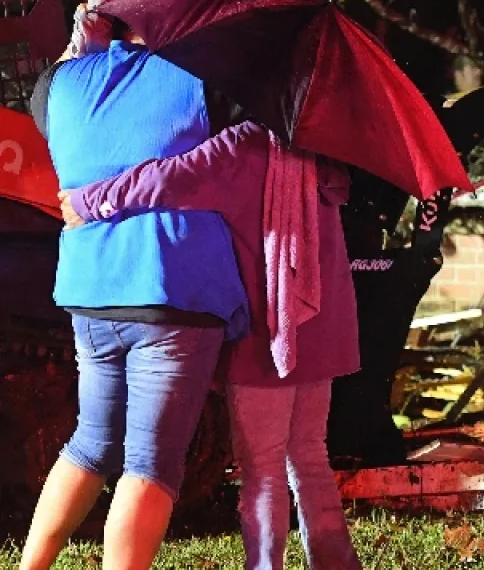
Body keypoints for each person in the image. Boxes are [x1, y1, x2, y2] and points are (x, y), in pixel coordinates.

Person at [21, 0, 249, 570]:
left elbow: (58, 107)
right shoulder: (201, 77)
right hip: (170, 288)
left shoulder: (57, 87)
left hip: (89, 289)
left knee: (91, 443)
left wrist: (84, 39)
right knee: (152, 460)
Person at [61, 119, 364, 570]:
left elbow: (164, 179)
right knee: (309, 455)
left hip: (268, 331)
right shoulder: (322, 150)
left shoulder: (242, 146)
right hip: (320, 330)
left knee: (262, 470)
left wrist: (87, 200)